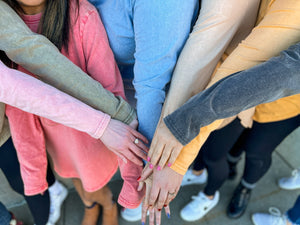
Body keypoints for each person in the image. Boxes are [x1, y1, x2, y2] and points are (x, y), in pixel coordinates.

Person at [139, 0, 300, 224]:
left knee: (253, 152)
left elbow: (253, 71)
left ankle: (237, 189)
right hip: (235, 89)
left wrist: (178, 148)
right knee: (227, 151)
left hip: (273, 97)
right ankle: (210, 172)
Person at [1, 1, 147, 225]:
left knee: (92, 184)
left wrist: (130, 174)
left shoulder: (81, 15)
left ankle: (106, 203)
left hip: (92, 139)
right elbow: (19, 111)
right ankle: (91, 204)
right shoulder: (6, 32)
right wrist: (34, 173)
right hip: (56, 139)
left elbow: (111, 88)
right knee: (73, 177)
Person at [87, 0, 199, 222]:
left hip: (143, 103)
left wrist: (150, 168)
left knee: (134, 175)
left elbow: (151, 87)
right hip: (96, 95)